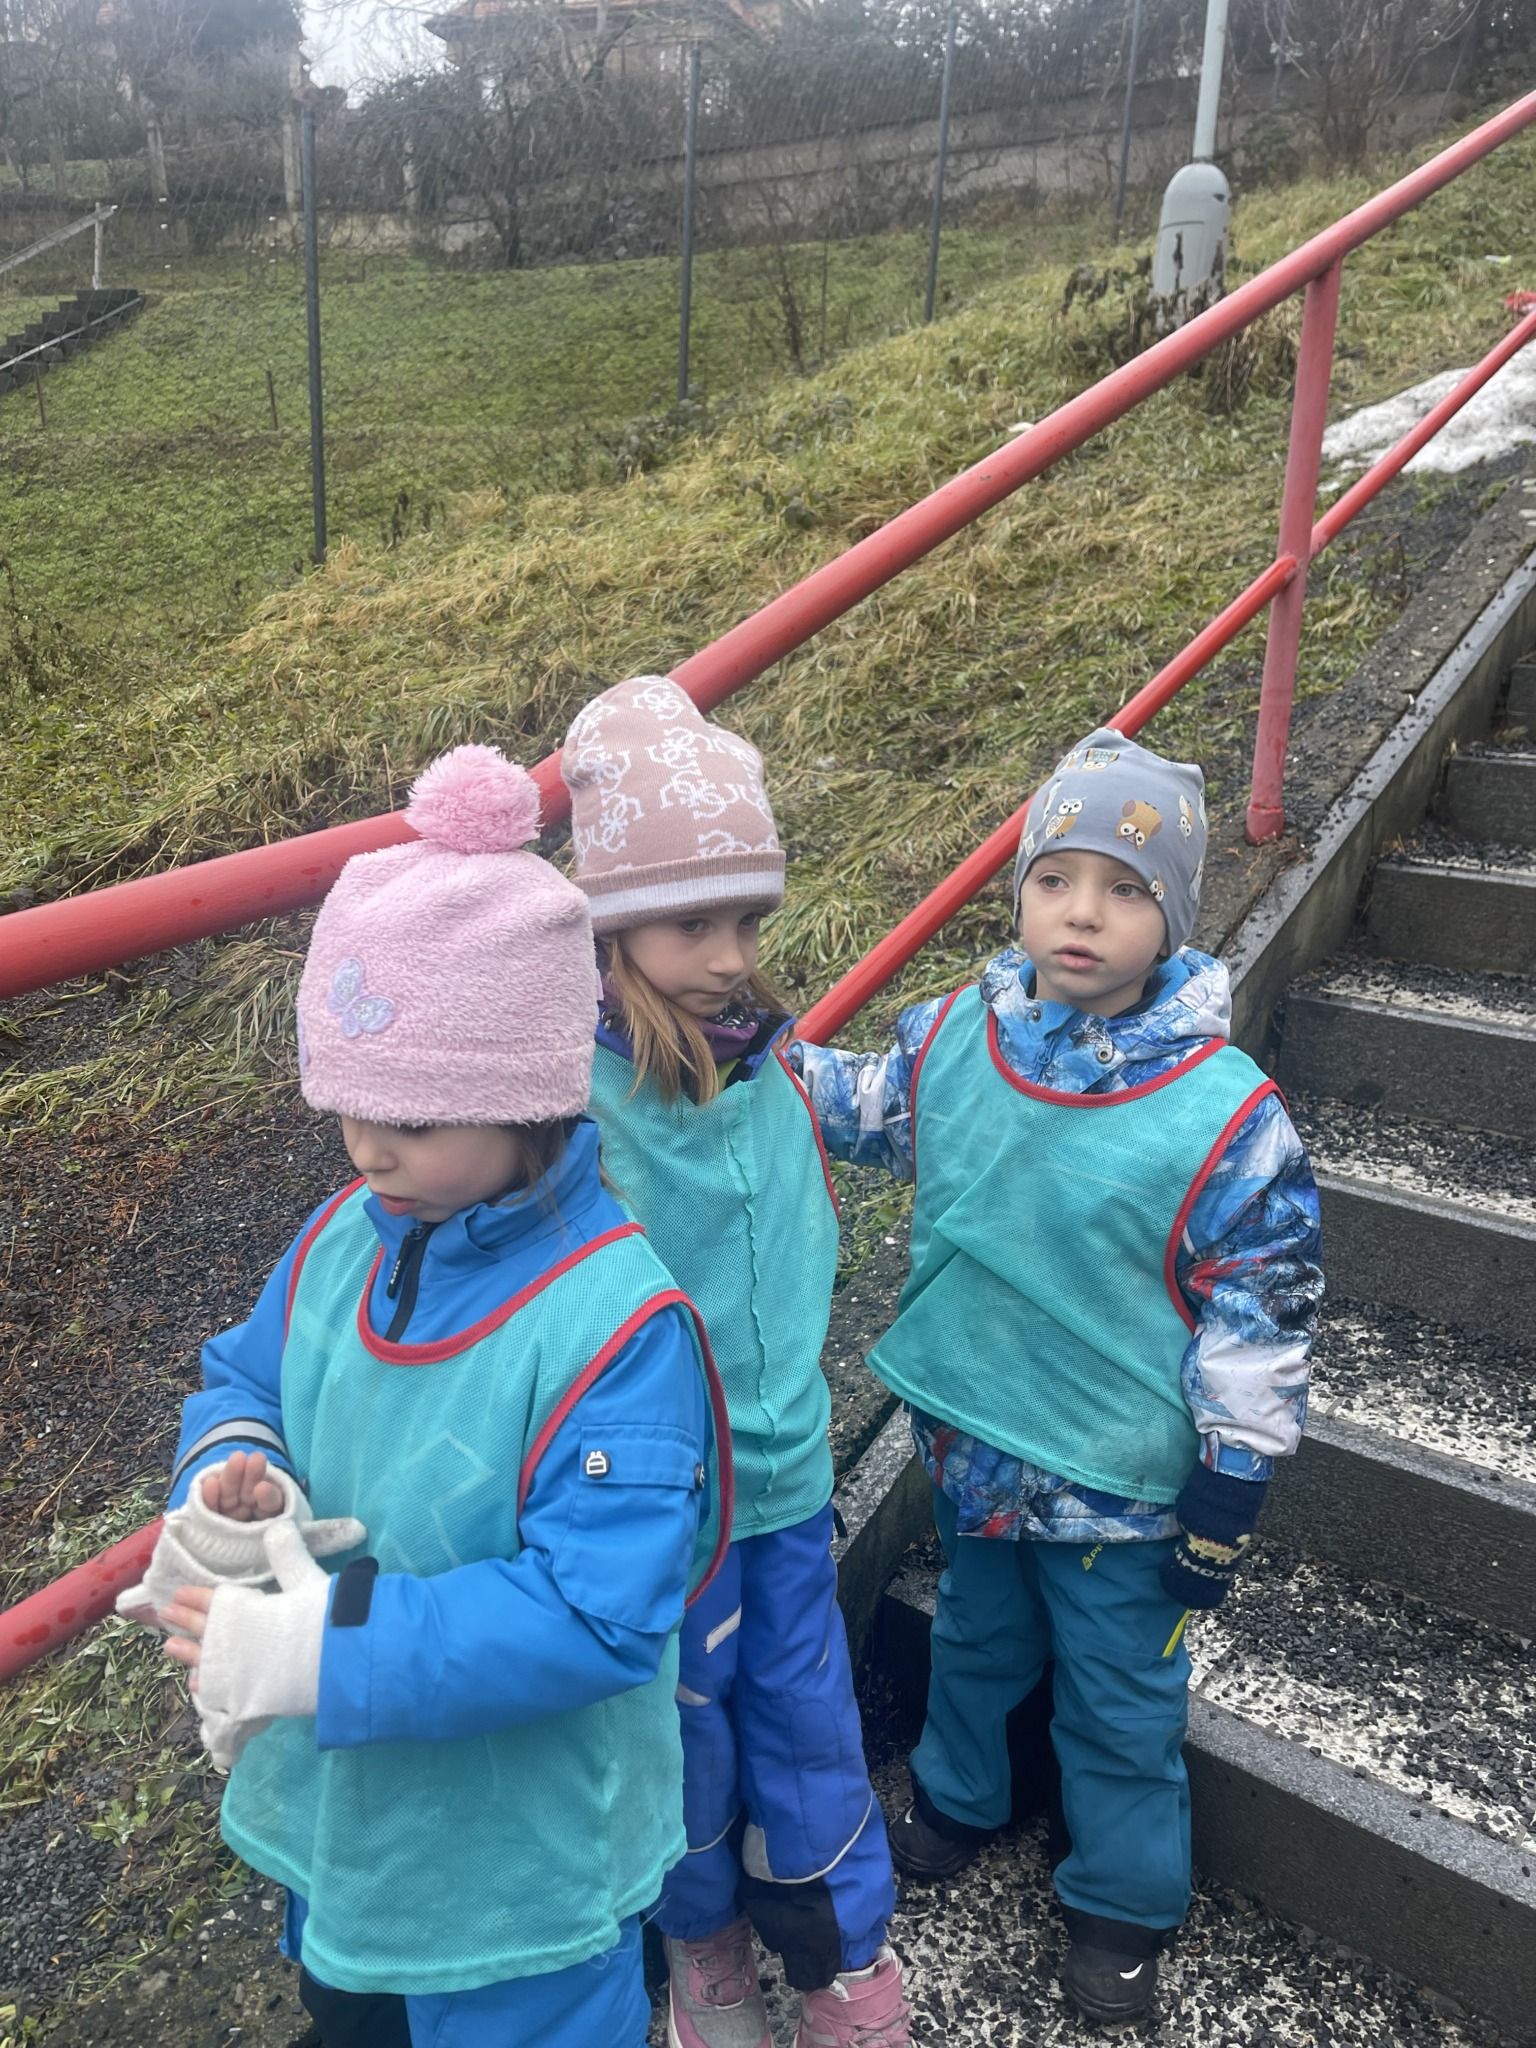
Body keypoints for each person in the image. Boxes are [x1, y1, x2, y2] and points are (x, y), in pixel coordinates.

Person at [119, 742, 730, 2048]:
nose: (367, 1148)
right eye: (347, 1103)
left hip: (523, 1872)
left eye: (413, 1116)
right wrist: (238, 1471)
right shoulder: (348, 1234)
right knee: (352, 2012)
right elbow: (248, 1373)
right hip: (360, 1831)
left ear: (530, 1100)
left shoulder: (619, 1330)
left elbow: (598, 1613)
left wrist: (324, 1648)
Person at [792, 727, 1324, 2028]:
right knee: (974, 1642)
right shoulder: (957, 1039)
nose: (1082, 912)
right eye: (1055, 878)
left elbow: (1261, 1301)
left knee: (1120, 1703)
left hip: (1123, 1491)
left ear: (1173, 916)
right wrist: (768, 1063)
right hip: (975, 1448)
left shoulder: (1226, 1113)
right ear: (1021, 891)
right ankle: (959, 1799)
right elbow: (870, 1108)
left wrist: (1234, 1478)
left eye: (1126, 889)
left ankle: (1122, 1905)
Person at [561, 677, 910, 2048]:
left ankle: (840, 1962)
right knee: (685, 1735)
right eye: (692, 924)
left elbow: (879, 1106)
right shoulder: (574, 1106)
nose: (729, 957)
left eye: (748, 921)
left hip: (786, 1475)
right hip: (667, 1506)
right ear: (611, 927)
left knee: (809, 1726)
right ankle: (701, 1950)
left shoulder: (767, 1056)